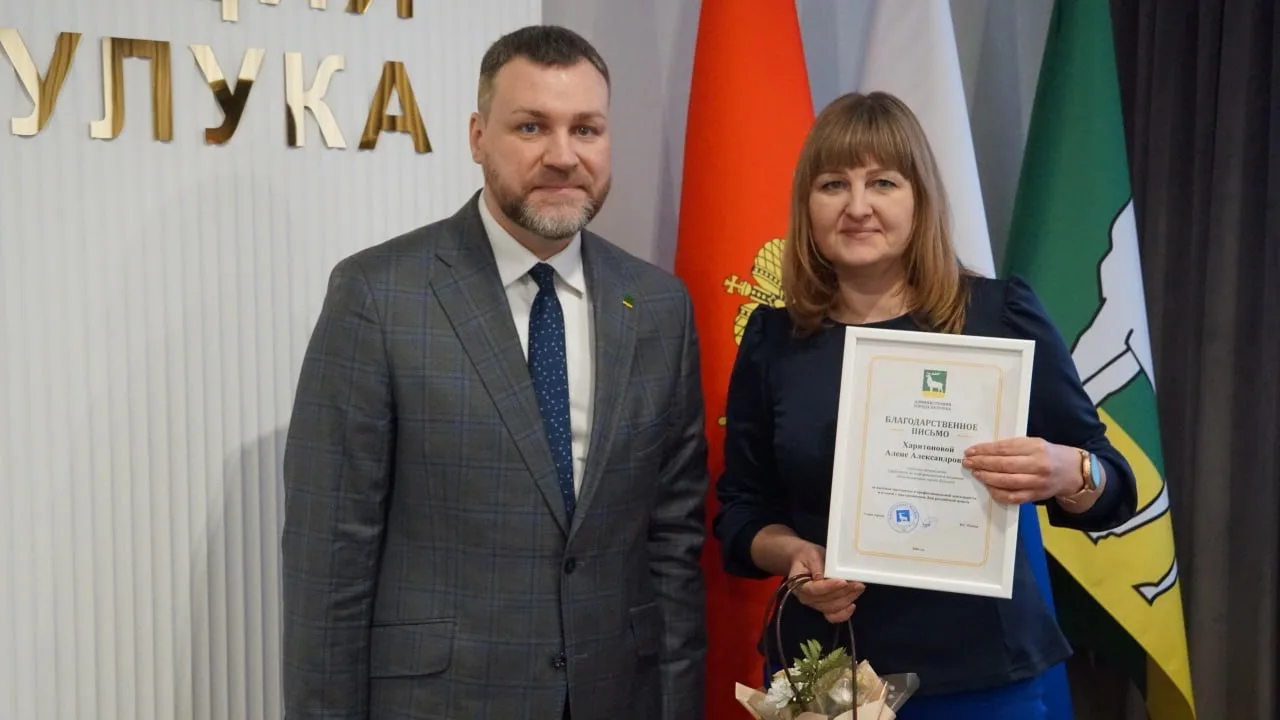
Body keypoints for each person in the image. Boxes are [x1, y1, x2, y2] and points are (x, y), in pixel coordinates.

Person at [280, 25, 709, 720]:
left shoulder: (658, 306)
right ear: (478, 137)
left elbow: (673, 543)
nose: (563, 156)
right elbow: (329, 556)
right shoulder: (379, 296)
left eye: (586, 129)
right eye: (531, 126)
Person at [711, 91, 1138, 720]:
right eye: (834, 184)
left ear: (920, 199)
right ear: (808, 205)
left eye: (883, 182)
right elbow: (743, 511)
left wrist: (1068, 470)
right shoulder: (775, 338)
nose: (858, 206)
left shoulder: (999, 315)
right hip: (828, 668)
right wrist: (792, 557)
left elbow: (1114, 486)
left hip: (982, 673)